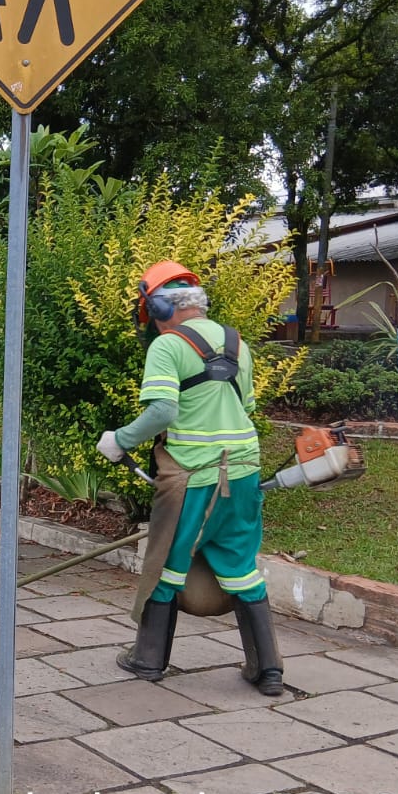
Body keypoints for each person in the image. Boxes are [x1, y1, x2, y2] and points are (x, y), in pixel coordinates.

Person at [95, 262, 284, 695]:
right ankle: (267, 669)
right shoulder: (238, 343)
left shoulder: (168, 345)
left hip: (192, 477)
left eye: (150, 314)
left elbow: (163, 411)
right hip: (244, 471)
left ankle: (148, 660)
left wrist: (120, 440)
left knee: (167, 563)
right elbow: (246, 408)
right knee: (240, 565)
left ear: (159, 308)